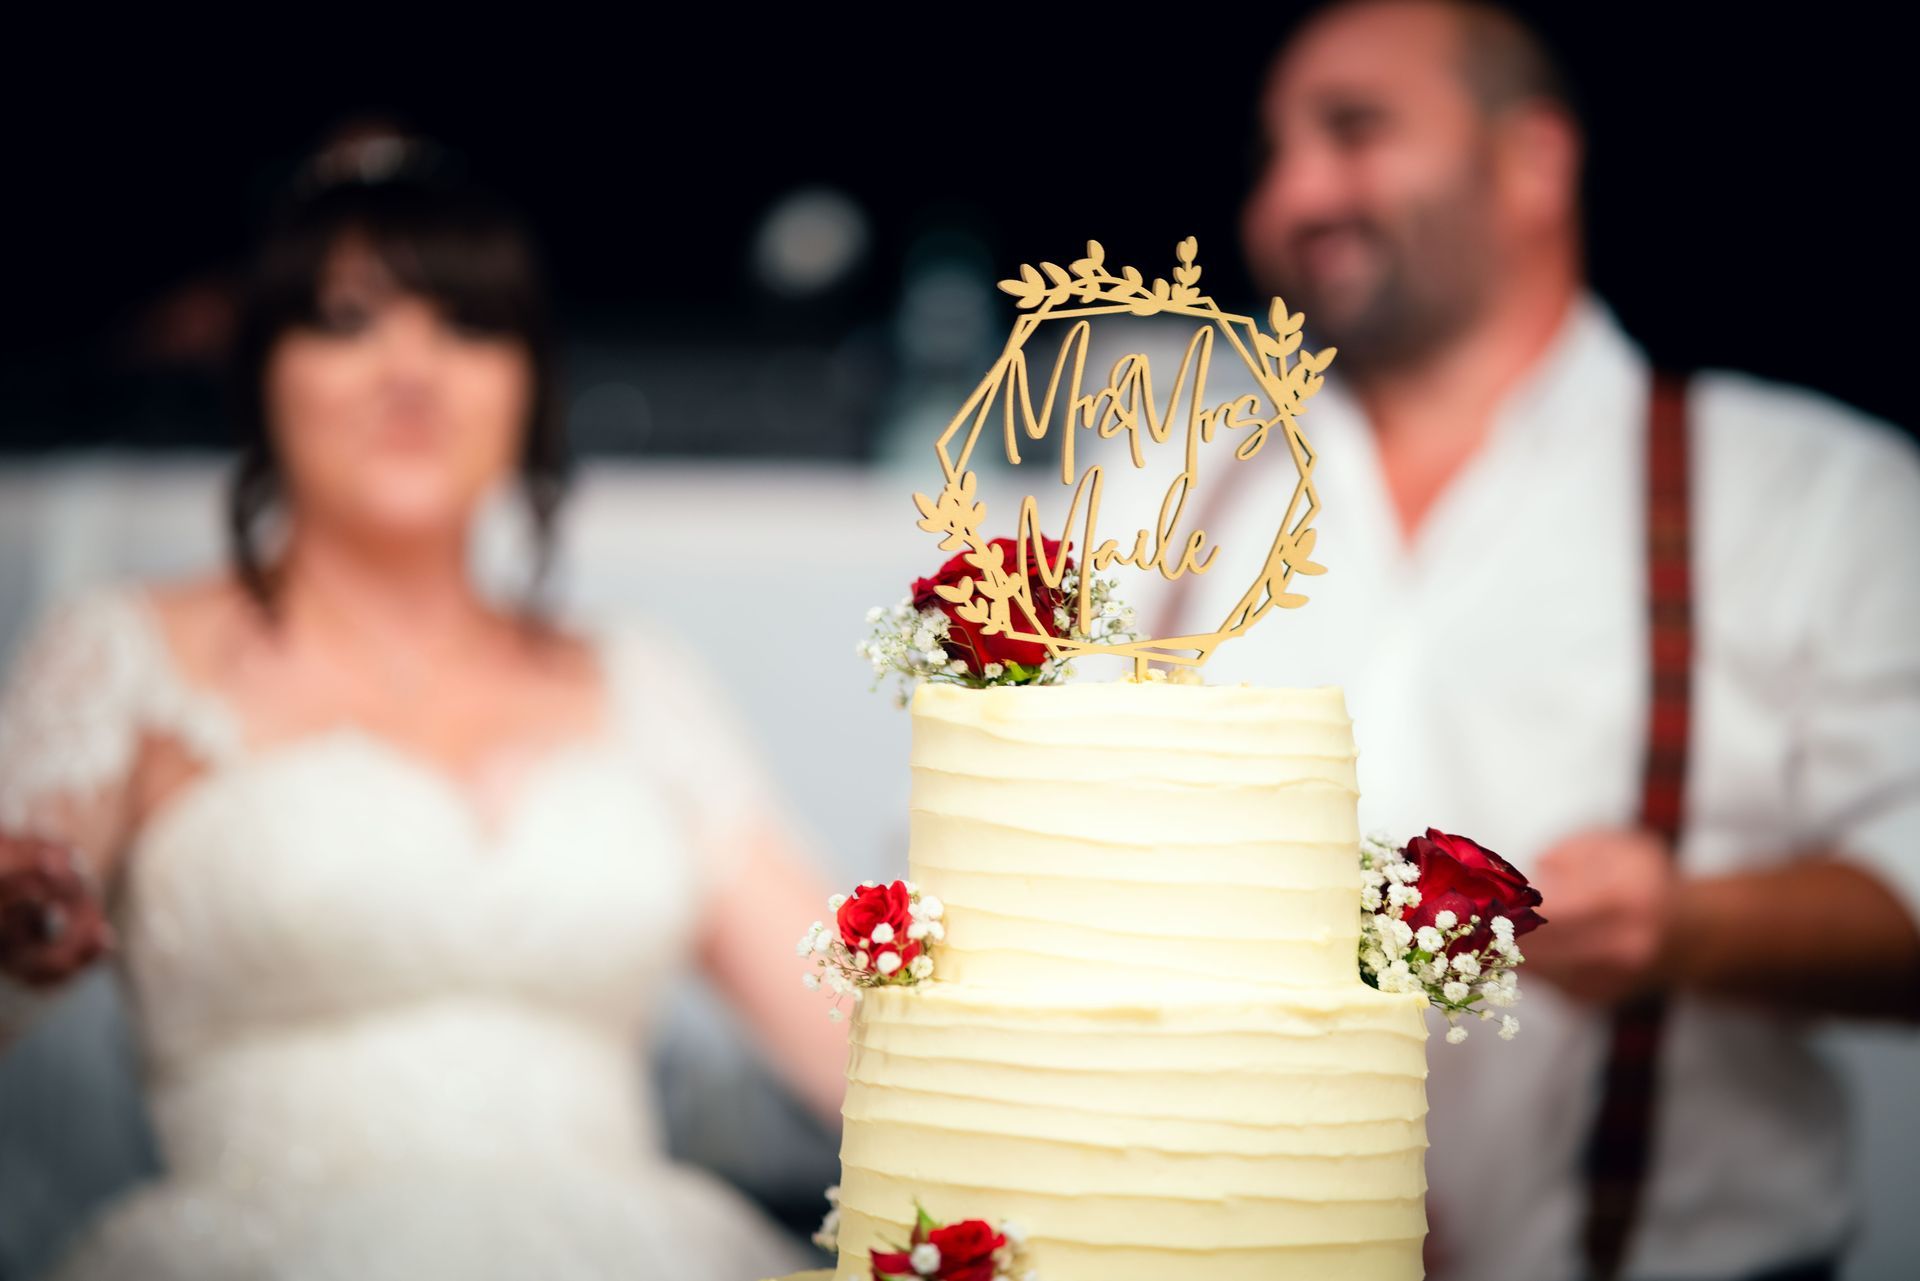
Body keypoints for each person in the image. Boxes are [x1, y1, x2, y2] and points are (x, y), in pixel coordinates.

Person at [1104, 3, 1920, 1279]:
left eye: (1354, 131)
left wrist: (1690, 926)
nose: (1295, 193)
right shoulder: (1164, 489)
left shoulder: (1810, 495)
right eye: (1275, 152)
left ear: (1533, 161)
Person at [0, 125, 845, 1281]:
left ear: (531, 383)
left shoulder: (639, 682)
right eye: (346, 322)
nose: (414, 369)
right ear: (260, 372)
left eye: (470, 323)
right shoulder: (126, 652)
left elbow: (855, 1038)